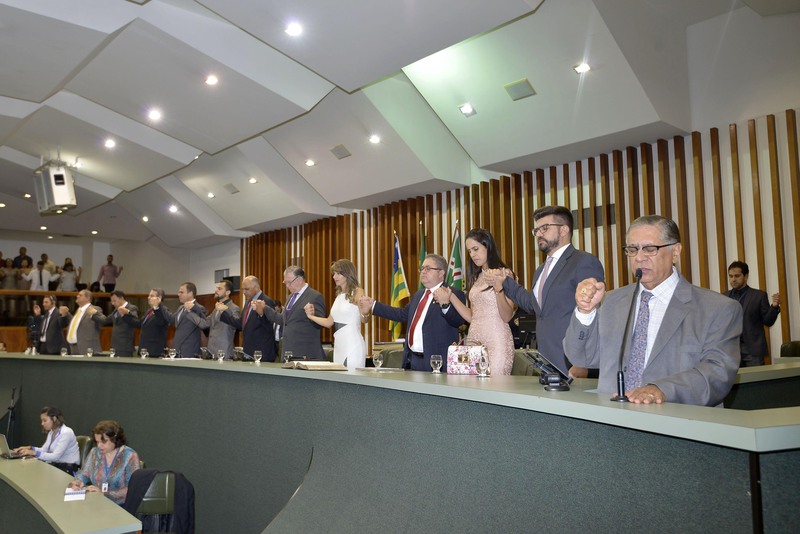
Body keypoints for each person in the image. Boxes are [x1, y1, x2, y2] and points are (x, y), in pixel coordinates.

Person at [564, 215, 742, 406]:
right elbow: (581, 358)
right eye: (633, 249)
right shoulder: (611, 302)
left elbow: (717, 373)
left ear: (675, 252)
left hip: (675, 420)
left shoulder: (717, 309)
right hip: (612, 418)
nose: (639, 257)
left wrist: (661, 389)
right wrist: (585, 312)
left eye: (650, 249)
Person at [495, 206, 605, 377]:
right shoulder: (541, 270)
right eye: (536, 230)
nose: (539, 233)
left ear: (564, 230)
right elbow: (533, 305)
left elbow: (591, 312)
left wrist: (582, 366)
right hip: (546, 360)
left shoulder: (583, 261)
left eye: (545, 228)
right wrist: (505, 283)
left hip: (573, 362)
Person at [360, 254, 466, 372]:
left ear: (441, 273)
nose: (423, 272)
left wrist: (445, 305)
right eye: (422, 268)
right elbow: (401, 314)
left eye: (428, 268)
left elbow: (458, 321)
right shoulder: (418, 295)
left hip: (437, 363)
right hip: (413, 361)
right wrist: (373, 305)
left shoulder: (453, 294)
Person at [435, 229, 517, 375]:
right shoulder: (476, 278)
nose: (472, 255)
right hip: (473, 341)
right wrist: (451, 296)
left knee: (496, 386)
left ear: (488, 246)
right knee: (472, 387)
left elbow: (507, 316)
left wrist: (498, 288)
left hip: (497, 341)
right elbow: (473, 317)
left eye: (475, 249)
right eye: (469, 251)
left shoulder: (505, 274)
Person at [304, 259, 367, 369]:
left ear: (347, 273)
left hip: (352, 344)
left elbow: (364, 319)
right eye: (334, 274)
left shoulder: (357, 291)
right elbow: (329, 322)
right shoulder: (339, 296)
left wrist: (365, 312)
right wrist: (310, 316)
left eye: (338, 273)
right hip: (339, 345)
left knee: (352, 377)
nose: (334, 277)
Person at [258, 268, 325, 362]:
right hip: (288, 353)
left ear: (300, 279)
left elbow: (320, 323)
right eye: (285, 282)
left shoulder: (315, 296)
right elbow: (284, 321)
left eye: (289, 282)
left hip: (306, 354)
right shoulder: (290, 297)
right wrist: (265, 308)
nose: (287, 286)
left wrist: (312, 315)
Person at [68, 420, 141, 505]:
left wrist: (104, 494)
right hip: (96, 502)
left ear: (115, 439)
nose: (99, 446)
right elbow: (84, 474)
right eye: (97, 442)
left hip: (119, 506)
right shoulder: (95, 452)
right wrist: (78, 482)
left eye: (104, 441)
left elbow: (132, 489)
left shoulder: (130, 456)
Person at [726, 261, 781, 367]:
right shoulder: (724, 297)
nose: (733, 279)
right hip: (731, 349)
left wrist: (774, 307)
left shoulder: (759, 296)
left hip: (752, 350)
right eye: (731, 276)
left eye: (737, 276)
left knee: (755, 377)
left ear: (746, 276)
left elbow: (768, 321)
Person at [220, 275, 279, 361]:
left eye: (247, 289)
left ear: (256, 287)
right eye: (243, 289)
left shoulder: (266, 301)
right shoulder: (248, 302)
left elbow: (269, 326)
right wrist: (225, 312)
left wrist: (261, 314)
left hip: (262, 353)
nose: (244, 292)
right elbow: (242, 324)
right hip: (248, 352)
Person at [13, 406, 80, 473]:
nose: (42, 424)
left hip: (68, 469)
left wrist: (33, 453)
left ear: (54, 418)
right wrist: (30, 448)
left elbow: (55, 457)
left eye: (45, 420)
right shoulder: (51, 432)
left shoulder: (66, 432)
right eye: (42, 421)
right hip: (57, 466)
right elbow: (44, 450)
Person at [189, 279, 240, 359]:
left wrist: (225, 310)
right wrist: (190, 312)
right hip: (211, 352)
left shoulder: (234, 308)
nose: (216, 291)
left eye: (219, 289)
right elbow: (204, 324)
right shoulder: (215, 309)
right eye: (216, 288)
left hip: (225, 352)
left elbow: (236, 323)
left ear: (227, 292)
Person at [165, 282, 206, 357]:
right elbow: (171, 319)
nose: (178, 294)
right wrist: (159, 307)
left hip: (190, 351)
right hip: (177, 350)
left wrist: (194, 308)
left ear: (190, 293)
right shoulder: (180, 308)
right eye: (179, 292)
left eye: (181, 292)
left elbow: (204, 323)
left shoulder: (199, 308)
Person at [59, 289, 106, 355]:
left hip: (87, 349)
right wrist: (66, 314)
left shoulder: (95, 308)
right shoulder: (78, 311)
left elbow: (104, 320)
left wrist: (94, 313)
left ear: (88, 298)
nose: (77, 296)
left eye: (80, 295)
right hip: (73, 348)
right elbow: (76, 325)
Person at [101, 290, 139, 356]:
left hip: (124, 346)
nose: (112, 303)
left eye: (114, 301)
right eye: (111, 301)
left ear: (121, 298)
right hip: (114, 346)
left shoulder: (132, 307)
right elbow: (106, 320)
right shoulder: (116, 310)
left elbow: (134, 317)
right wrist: (95, 313)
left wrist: (127, 311)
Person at [134, 288, 171, 357]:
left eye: (151, 296)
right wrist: (127, 314)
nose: (148, 297)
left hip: (154, 352)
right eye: (149, 295)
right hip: (144, 350)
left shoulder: (164, 310)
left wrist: (156, 307)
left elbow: (161, 321)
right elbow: (139, 323)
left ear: (159, 298)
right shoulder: (150, 311)